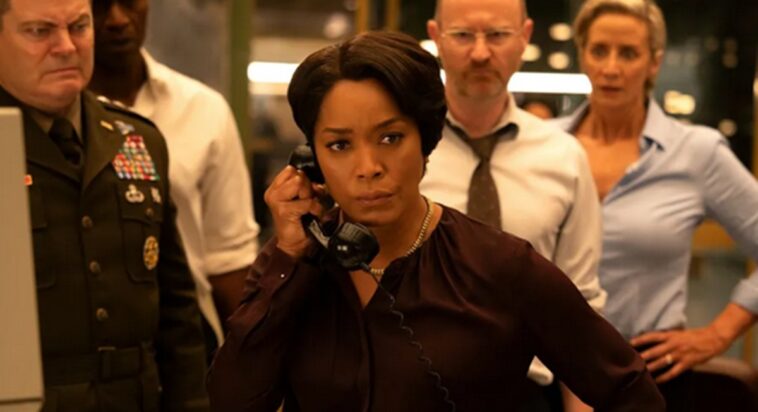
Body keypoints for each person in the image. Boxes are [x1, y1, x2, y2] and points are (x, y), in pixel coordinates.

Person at [206, 30, 664, 412]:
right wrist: (287, 261)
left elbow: (630, 392)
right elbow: (233, 400)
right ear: (313, 160)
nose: (368, 167)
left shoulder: (501, 267)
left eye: (390, 138)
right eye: (340, 145)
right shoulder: (293, 267)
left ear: (425, 143)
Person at [0, 0, 209, 410]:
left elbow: (178, 314)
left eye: (79, 26)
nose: (66, 47)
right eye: (40, 31)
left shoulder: (138, 139)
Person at [552, 0, 758, 406]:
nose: (611, 68)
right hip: (545, 376)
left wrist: (716, 335)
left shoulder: (696, 152)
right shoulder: (543, 145)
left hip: (647, 380)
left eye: (628, 53)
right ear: (583, 55)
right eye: (599, 50)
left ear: (654, 63)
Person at [420, 0, 604, 409]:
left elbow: (580, 308)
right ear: (436, 38)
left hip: (529, 394)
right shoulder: (403, 152)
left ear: (524, 38)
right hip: (415, 389)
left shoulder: (564, 157)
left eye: (498, 35)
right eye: (463, 35)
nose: (480, 53)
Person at [89, 0, 260, 357]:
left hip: (186, 338)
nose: (118, 20)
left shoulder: (202, 109)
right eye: (99, 5)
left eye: (129, 2)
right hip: (85, 341)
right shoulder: (52, 115)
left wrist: (249, 362)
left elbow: (229, 259)